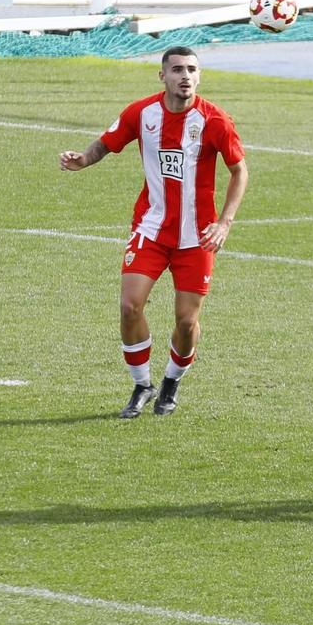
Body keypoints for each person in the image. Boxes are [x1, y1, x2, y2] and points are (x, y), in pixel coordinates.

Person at [59, 46, 248, 419]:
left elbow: (240, 171)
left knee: (186, 321)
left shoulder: (215, 120)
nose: (185, 76)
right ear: (162, 76)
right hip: (151, 227)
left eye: (192, 70)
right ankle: (142, 384)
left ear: (199, 76)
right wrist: (83, 159)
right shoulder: (141, 113)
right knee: (130, 306)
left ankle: (171, 382)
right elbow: (106, 143)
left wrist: (224, 222)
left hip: (197, 236)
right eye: (177, 69)